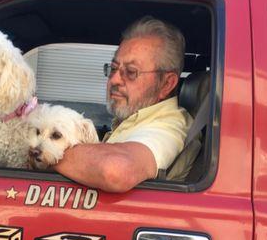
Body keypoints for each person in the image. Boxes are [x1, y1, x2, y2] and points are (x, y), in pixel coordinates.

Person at [55, 16, 196, 192]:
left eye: (130, 72)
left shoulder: (169, 127)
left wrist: (43, 151)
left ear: (166, 84)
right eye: (113, 68)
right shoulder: (135, 119)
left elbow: (116, 170)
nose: (114, 79)